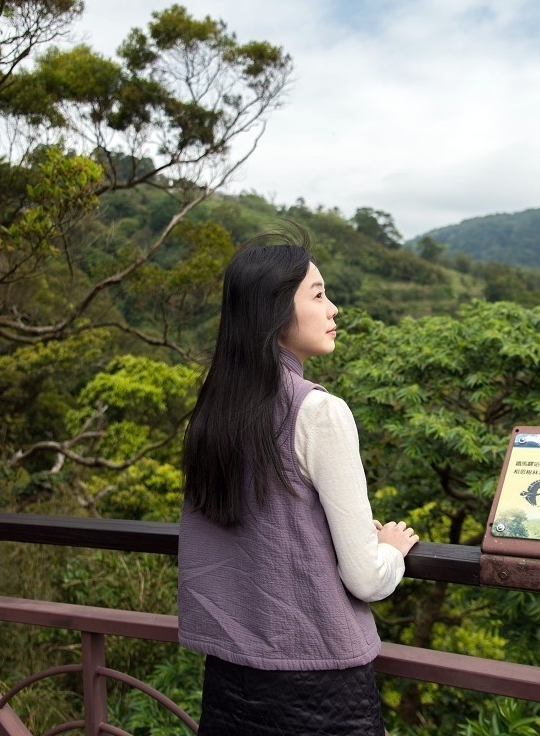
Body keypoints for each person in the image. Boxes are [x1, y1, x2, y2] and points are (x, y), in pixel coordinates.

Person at [177, 232, 420, 736]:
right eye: (317, 294)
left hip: (229, 681)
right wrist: (391, 550)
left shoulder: (213, 412)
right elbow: (366, 579)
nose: (332, 309)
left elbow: (262, 528)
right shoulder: (318, 411)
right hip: (318, 690)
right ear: (274, 310)